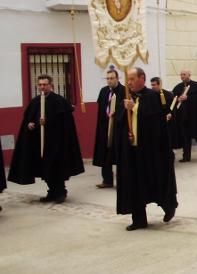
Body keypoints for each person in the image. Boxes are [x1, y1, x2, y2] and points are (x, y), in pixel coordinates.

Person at [116, 67, 177, 230]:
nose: (129, 83)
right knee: (134, 183)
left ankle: (168, 205)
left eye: (132, 79)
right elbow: (119, 121)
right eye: (127, 80)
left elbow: (156, 121)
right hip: (133, 150)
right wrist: (126, 134)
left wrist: (134, 108)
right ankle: (139, 219)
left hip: (150, 150)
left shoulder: (152, 96)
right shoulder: (126, 97)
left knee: (155, 179)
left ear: (142, 78)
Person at [8, 74, 84, 202]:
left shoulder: (59, 101)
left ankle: (60, 192)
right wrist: (31, 124)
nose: (42, 87)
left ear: (51, 85)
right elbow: (29, 119)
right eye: (40, 85)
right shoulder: (35, 101)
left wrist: (48, 122)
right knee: (45, 169)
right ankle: (51, 192)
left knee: (56, 168)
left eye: (45, 84)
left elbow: (65, 124)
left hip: (56, 144)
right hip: (40, 144)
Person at [93, 69, 125, 188]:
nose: (109, 81)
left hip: (118, 127)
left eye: (112, 78)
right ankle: (107, 180)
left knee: (119, 154)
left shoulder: (123, 91)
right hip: (104, 126)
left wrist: (116, 114)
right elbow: (102, 107)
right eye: (108, 78)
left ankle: (122, 180)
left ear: (117, 78)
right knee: (105, 153)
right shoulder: (104, 91)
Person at [150, 77, 179, 150]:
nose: (152, 87)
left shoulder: (168, 95)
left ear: (159, 85)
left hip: (166, 122)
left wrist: (170, 114)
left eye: (154, 85)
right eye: (152, 85)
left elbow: (173, 108)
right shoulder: (150, 95)